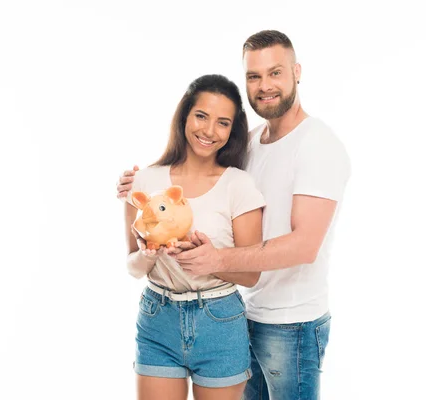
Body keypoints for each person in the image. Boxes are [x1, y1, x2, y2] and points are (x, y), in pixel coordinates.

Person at [117, 30, 351, 400]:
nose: (264, 85)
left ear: (297, 72)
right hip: (245, 314)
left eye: (275, 72)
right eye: (254, 76)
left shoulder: (317, 145)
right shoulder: (252, 144)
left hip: (292, 322)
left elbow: (305, 245)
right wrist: (139, 190)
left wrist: (212, 260)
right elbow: (197, 179)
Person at [122, 74, 266, 400]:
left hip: (220, 322)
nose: (208, 131)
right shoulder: (145, 182)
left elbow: (251, 273)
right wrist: (147, 255)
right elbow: (132, 265)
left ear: (232, 130)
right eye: (201, 116)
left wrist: (208, 262)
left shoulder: (239, 185)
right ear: (185, 115)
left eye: (222, 122)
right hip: (158, 319)